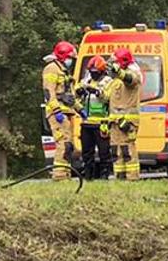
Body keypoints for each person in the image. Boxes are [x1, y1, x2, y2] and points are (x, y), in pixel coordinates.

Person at [42, 41, 78, 181]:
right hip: (57, 113)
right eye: (70, 58)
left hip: (66, 112)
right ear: (63, 56)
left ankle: (66, 174)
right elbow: (48, 91)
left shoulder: (63, 70)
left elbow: (70, 95)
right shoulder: (51, 69)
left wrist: (79, 109)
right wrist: (56, 110)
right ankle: (59, 176)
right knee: (63, 143)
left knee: (68, 146)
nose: (71, 61)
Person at [107, 48, 144, 181]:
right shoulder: (115, 80)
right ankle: (120, 177)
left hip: (128, 121)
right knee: (116, 150)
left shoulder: (134, 73)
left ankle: (132, 177)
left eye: (115, 62)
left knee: (128, 149)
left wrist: (119, 72)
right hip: (115, 121)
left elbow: (130, 80)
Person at [77, 56, 114, 180]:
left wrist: (97, 92)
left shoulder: (108, 81)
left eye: (95, 72)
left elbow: (108, 97)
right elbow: (76, 91)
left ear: (102, 71)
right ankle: (88, 175)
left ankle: (104, 175)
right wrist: (80, 91)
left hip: (101, 122)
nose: (93, 74)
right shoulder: (87, 80)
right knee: (87, 152)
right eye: (91, 72)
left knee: (104, 152)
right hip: (86, 122)